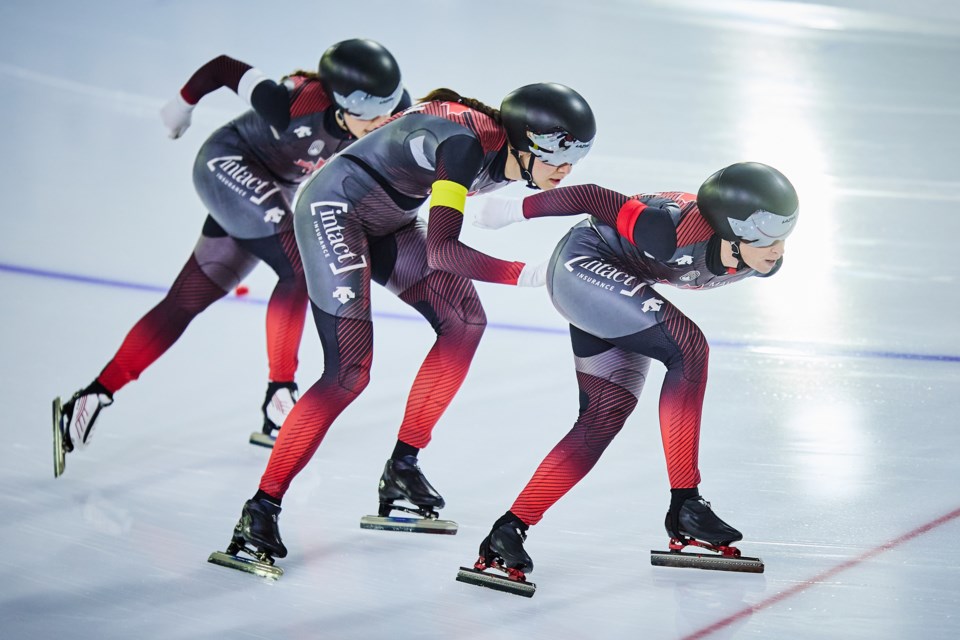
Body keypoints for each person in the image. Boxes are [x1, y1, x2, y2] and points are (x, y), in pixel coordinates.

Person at [216, 82, 597, 569]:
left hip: (388, 218)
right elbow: (443, 250)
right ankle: (260, 509)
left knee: (464, 321)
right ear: (524, 145)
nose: (566, 170)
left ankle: (403, 466)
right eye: (558, 157)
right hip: (335, 210)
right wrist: (531, 274)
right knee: (348, 373)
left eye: (576, 158)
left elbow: (465, 204)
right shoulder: (465, 146)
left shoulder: (508, 155)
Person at [52, 39, 411, 477]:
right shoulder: (290, 102)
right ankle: (279, 392)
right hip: (228, 163)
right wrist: (182, 106)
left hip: (273, 189)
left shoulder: (389, 112)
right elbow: (223, 66)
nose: (380, 124)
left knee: (187, 300)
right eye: (370, 116)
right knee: (299, 269)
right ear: (340, 103)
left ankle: (90, 396)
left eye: (387, 111)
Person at [461, 162, 799, 587]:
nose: (777, 249)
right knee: (688, 348)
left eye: (784, 234)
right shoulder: (669, 230)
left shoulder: (760, 256)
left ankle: (507, 530)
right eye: (766, 236)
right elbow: (590, 196)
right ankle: (687, 504)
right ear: (729, 231)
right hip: (583, 265)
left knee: (603, 416)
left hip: (620, 282)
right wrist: (512, 211)